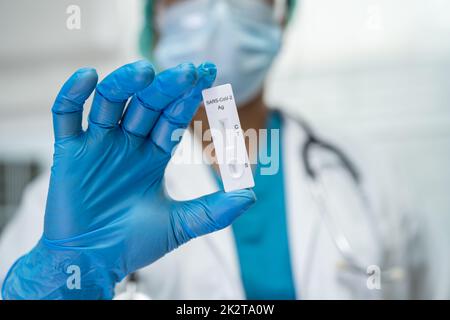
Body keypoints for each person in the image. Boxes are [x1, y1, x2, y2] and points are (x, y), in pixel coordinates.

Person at [0, 0, 429, 299]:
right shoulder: (76, 195)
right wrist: (68, 277)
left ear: (280, 15)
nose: (219, 10)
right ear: (156, 20)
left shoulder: (367, 177)